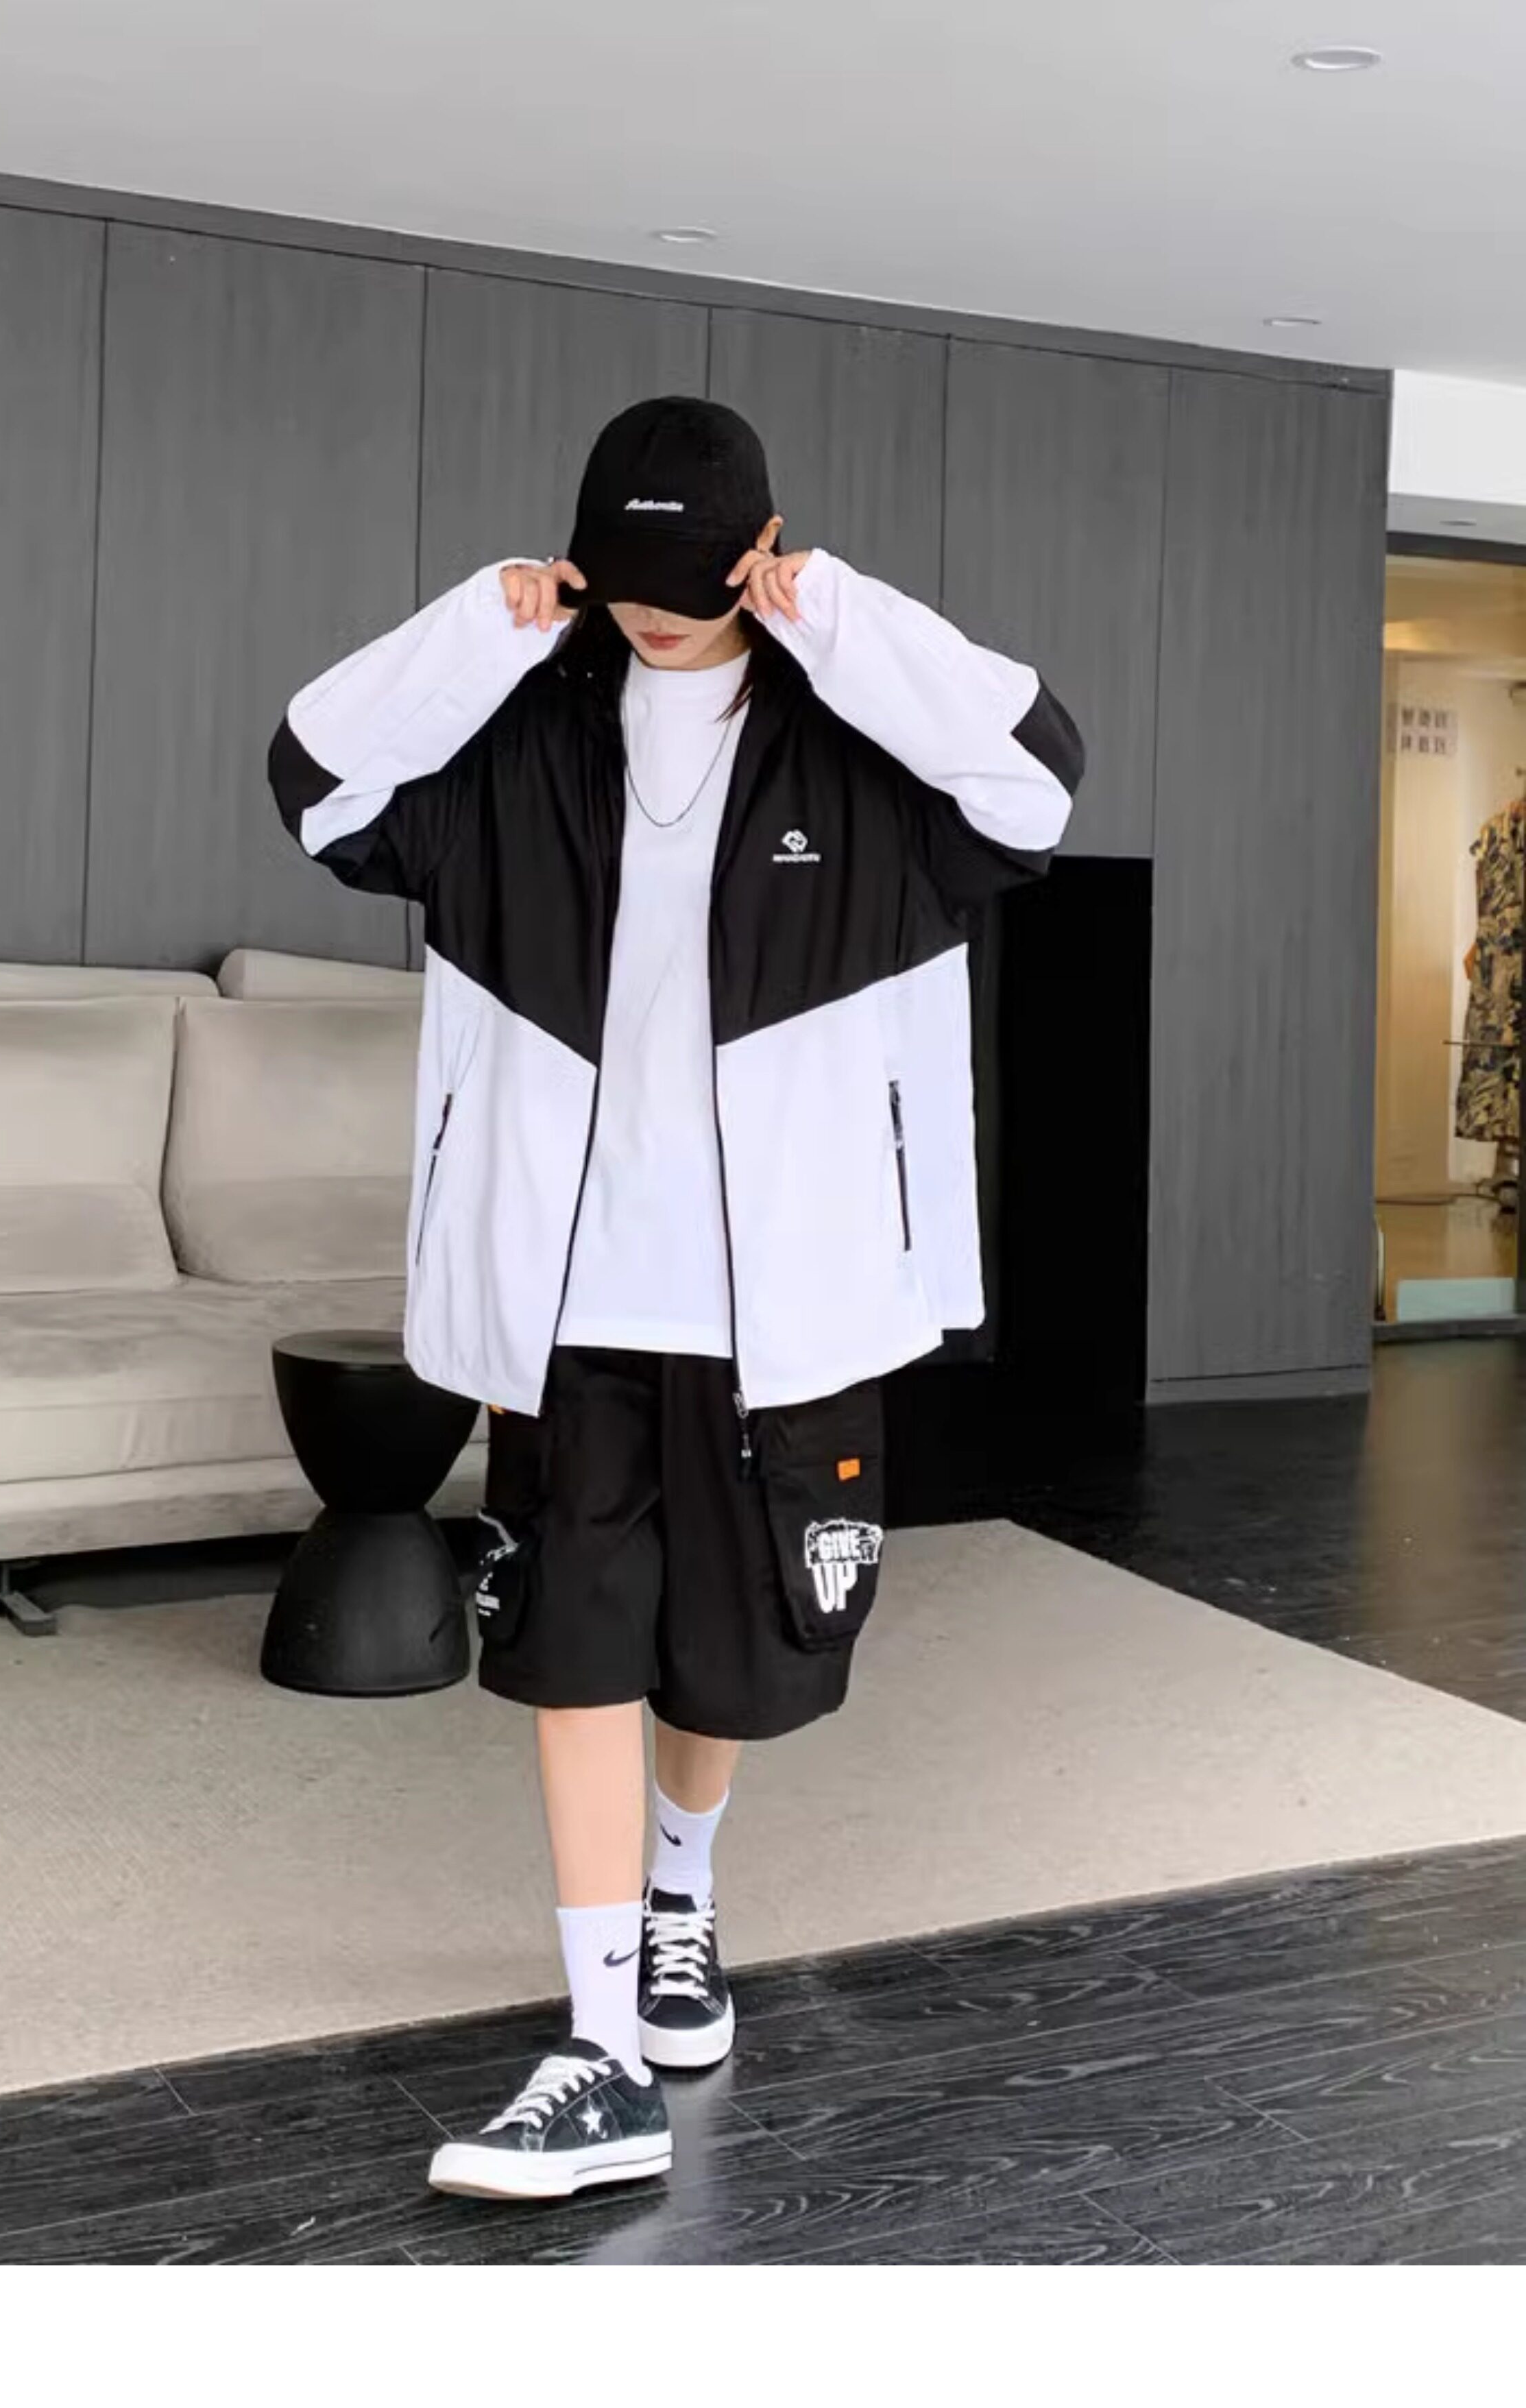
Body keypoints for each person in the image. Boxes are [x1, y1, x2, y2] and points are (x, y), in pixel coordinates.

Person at [271, 396, 1082, 2202]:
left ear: (756, 557)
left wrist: (840, 621)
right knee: (569, 1641)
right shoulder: (512, 734)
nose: (651, 610)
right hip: (565, 1291)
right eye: (621, 577)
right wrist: (472, 631)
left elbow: (1037, 777)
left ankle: (681, 1906)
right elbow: (315, 781)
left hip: (782, 1299)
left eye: (691, 580)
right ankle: (599, 2048)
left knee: (726, 1651)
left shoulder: (862, 749)